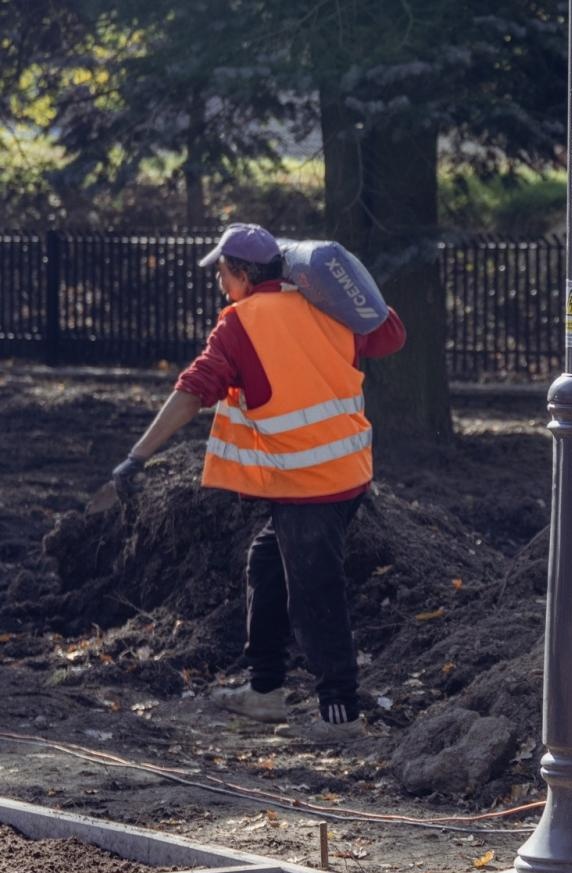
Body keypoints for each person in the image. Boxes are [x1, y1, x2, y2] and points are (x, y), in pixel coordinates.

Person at [110, 222, 407, 738]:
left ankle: (339, 712)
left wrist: (138, 455)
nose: (219, 282)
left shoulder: (240, 324)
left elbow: (193, 391)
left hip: (308, 483)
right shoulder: (323, 306)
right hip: (347, 472)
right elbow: (390, 335)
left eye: (222, 272)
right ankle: (265, 690)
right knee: (266, 563)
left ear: (243, 275)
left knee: (314, 593)